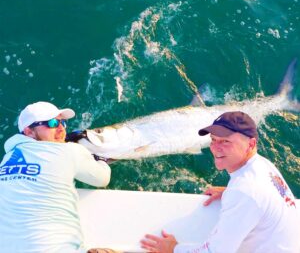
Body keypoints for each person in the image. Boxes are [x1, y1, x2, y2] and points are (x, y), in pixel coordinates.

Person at [141, 111, 300, 253]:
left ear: (251, 144)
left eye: (225, 142)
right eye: (213, 139)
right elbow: (259, 196)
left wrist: (173, 248)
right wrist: (228, 191)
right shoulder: (263, 165)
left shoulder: (245, 190)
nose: (215, 148)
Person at [0, 101, 111, 253]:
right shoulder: (69, 151)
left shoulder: (6, 160)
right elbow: (103, 178)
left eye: (63, 123)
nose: (61, 130)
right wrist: (101, 160)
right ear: (29, 131)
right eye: (52, 123)